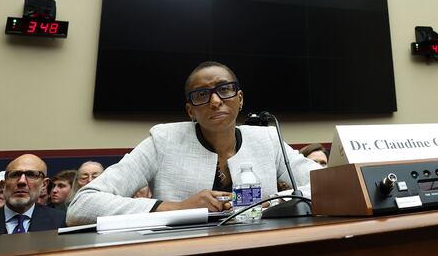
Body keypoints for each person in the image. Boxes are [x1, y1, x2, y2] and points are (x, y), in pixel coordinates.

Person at [67, 61, 321, 225]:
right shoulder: (163, 141)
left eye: (224, 89)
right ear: (190, 110)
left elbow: (329, 185)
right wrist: (176, 207)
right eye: (202, 95)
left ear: (240, 99)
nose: (214, 101)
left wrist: (274, 201)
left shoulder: (267, 139)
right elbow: (82, 205)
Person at [0, 154, 66, 234]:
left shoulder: (60, 220)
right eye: (15, 175)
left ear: (44, 184)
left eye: (31, 175)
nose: (22, 181)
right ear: (3, 185)